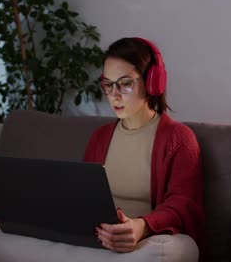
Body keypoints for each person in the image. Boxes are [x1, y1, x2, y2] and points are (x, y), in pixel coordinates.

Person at [84, 37, 205, 260]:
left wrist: (142, 226)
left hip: (149, 242)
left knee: (175, 250)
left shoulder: (180, 138)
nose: (114, 95)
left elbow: (183, 205)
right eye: (108, 84)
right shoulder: (99, 138)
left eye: (125, 83)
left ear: (152, 83)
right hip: (100, 239)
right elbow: (83, 196)